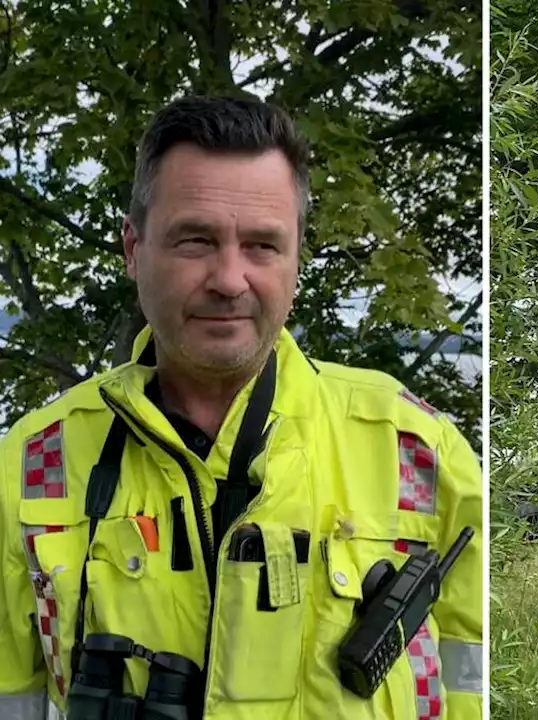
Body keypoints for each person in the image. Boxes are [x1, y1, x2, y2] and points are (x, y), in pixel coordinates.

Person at [0, 97, 484, 719]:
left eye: (261, 245)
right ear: (132, 248)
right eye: (196, 240)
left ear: (297, 259)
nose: (229, 279)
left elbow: (475, 684)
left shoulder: (418, 450)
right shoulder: (34, 464)